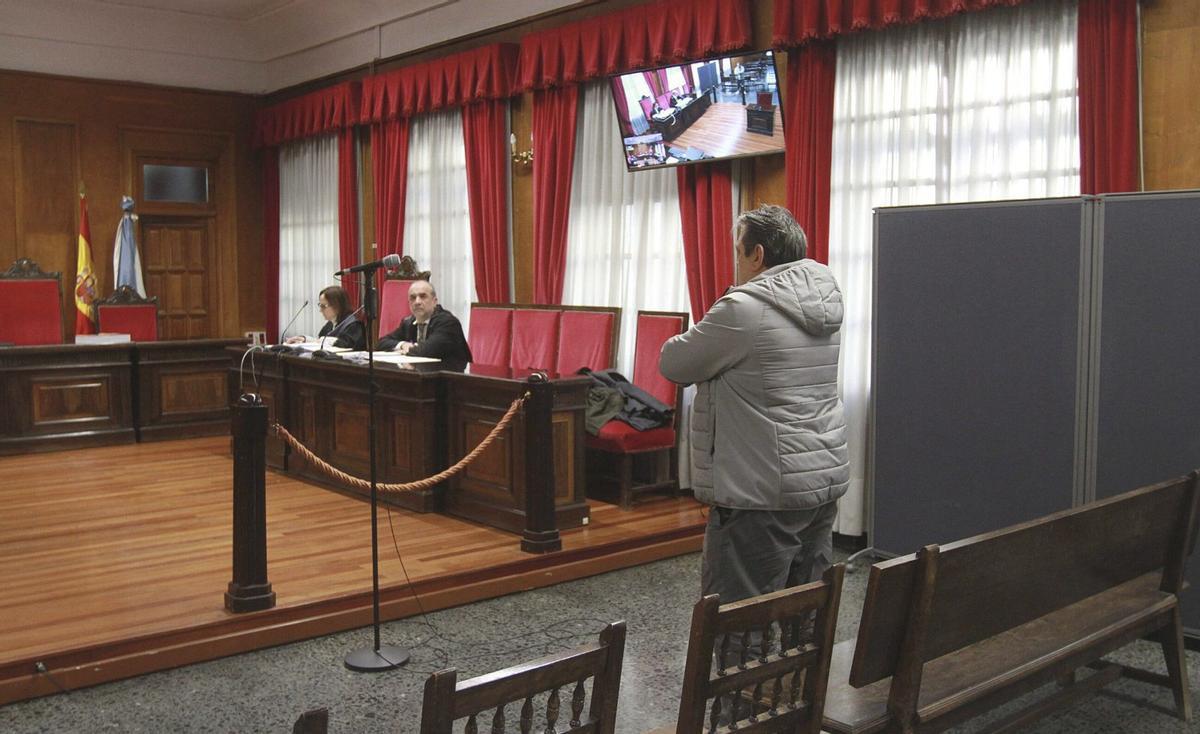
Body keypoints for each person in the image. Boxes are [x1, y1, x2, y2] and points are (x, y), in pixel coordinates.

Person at [659, 204, 849, 610]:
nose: (736, 262)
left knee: (740, 615)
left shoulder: (744, 309)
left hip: (760, 489)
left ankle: (744, 677)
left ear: (757, 255)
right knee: (806, 605)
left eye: (737, 252)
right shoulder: (823, 301)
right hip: (817, 478)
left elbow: (673, 362)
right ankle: (800, 676)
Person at [377, 280, 472, 367]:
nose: (417, 302)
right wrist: (403, 345)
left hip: (452, 379)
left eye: (423, 296)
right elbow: (381, 343)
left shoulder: (448, 322)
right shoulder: (408, 322)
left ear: (434, 301)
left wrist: (408, 350)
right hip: (422, 375)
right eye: (413, 298)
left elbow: (426, 351)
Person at [285, 285, 366, 351]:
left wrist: (323, 340)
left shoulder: (354, 325)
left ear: (337, 305)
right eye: (320, 305)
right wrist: (303, 339)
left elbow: (346, 345)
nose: (320, 310)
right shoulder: (330, 324)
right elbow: (320, 341)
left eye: (323, 306)